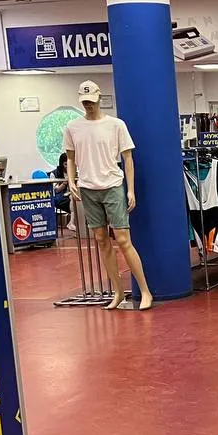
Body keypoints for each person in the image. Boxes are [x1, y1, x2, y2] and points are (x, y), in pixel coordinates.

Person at [64, 80, 154, 311]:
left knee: (123, 240)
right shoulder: (73, 127)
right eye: (84, 102)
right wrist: (71, 181)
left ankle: (145, 290)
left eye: (91, 101)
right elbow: (71, 158)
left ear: (99, 98)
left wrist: (130, 189)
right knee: (101, 240)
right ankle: (117, 291)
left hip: (112, 185)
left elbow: (128, 158)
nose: (88, 105)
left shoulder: (116, 125)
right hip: (88, 188)